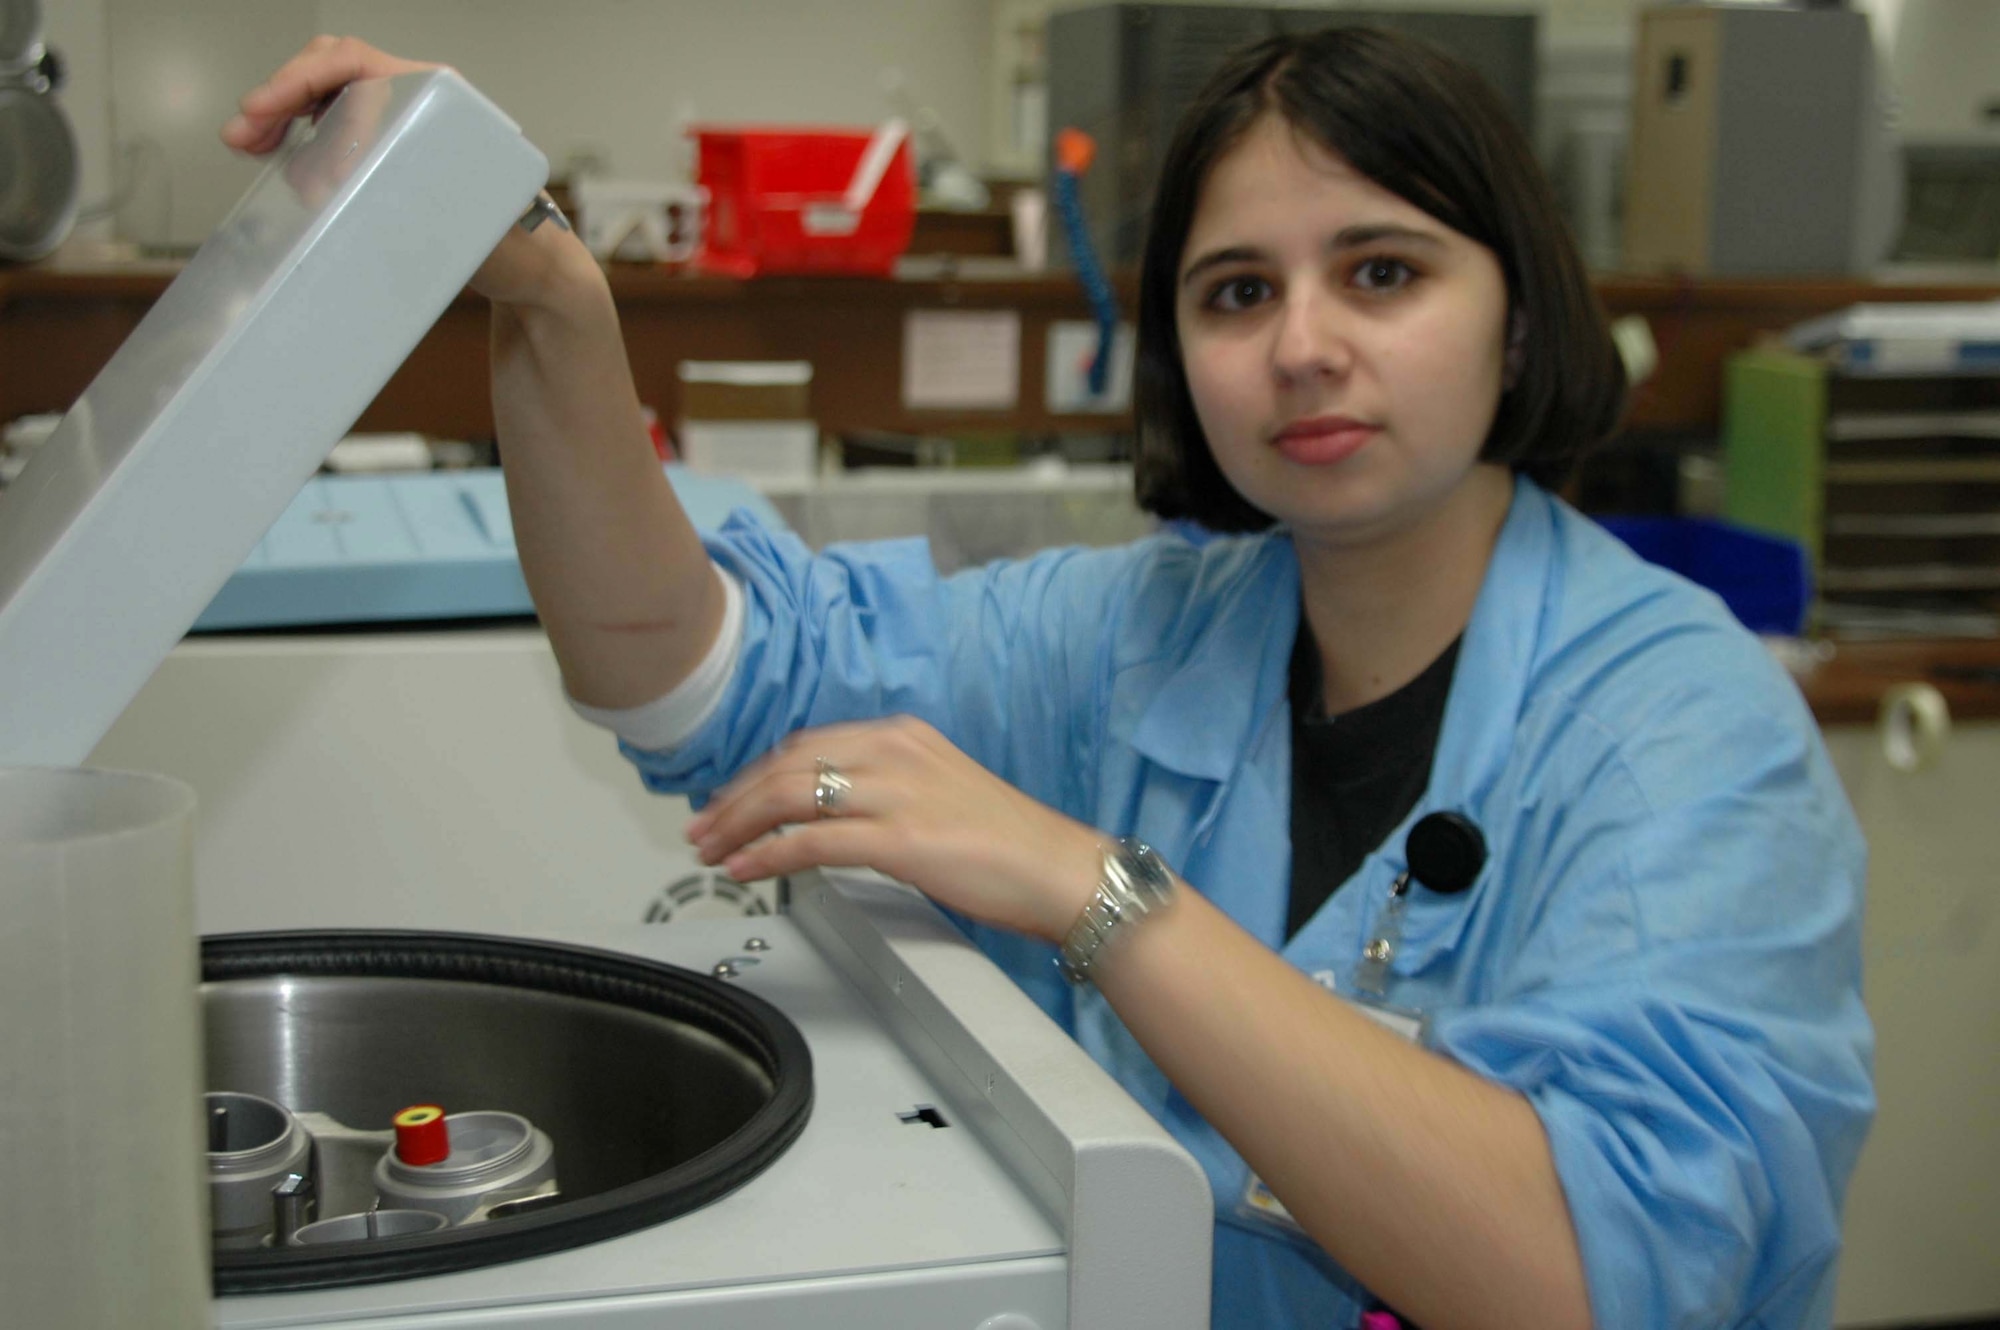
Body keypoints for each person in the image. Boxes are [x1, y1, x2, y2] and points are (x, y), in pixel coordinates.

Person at [225, 26, 1873, 1330]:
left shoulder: (1687, 731)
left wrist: (1101, 894)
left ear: (1514, 316)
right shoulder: (1140, 634)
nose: (1303, 343)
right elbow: (684, 675)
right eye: (1239, 291)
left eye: (1383, 270)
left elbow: (1587, 1280)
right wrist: (556, 307)